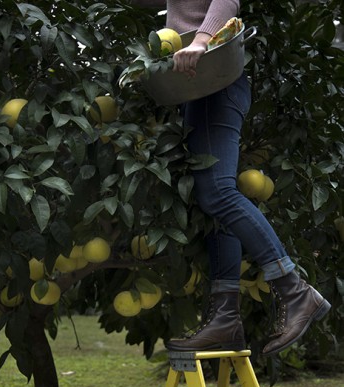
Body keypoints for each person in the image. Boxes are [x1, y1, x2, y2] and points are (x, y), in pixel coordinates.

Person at [129, 0, 331, 355]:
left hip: (212, 81)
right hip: (200, 86)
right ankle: (225, 317)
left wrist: (200, 41)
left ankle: (294, 291)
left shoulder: (203, 50)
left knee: (218, 193)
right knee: (215, 202)